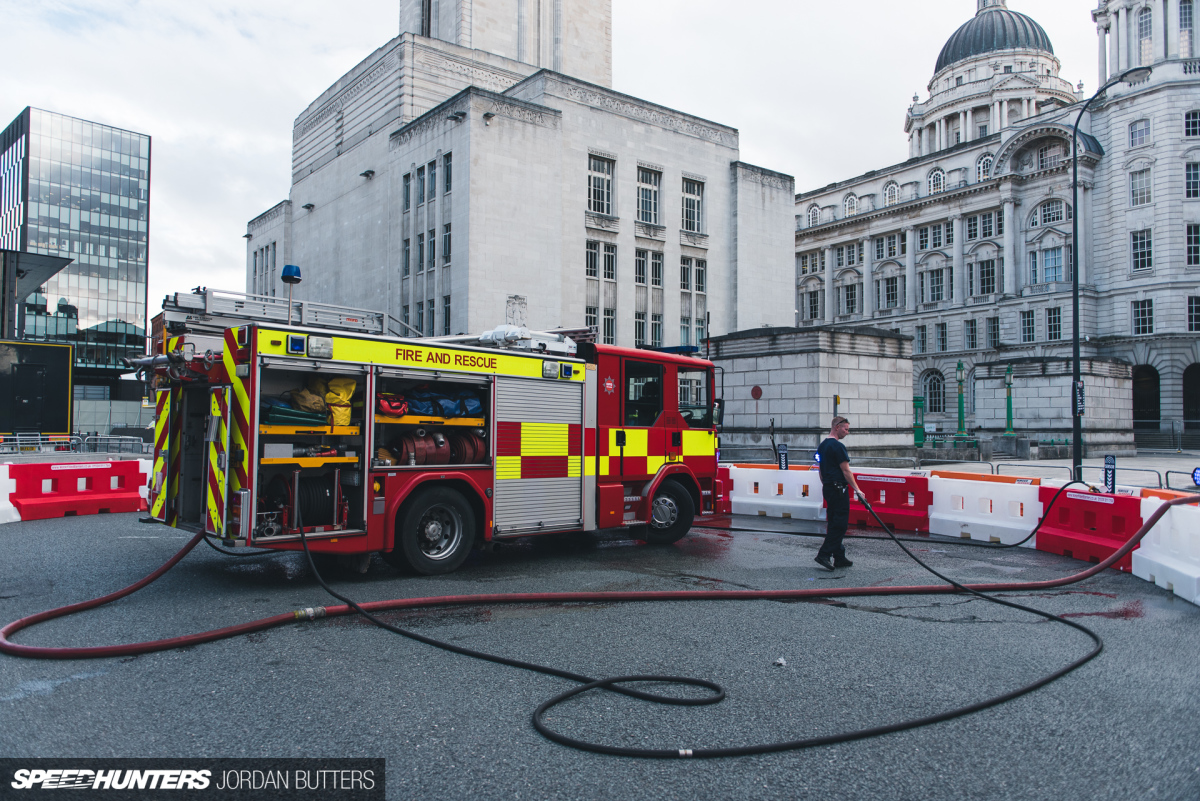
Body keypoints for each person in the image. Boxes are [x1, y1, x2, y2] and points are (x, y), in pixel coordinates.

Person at [815, 416, 865, 571]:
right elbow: (846, 471)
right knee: (840, 525)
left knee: (834, 521)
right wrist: (858, 490)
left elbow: (820, 470)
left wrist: (826, 484)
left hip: (829, 488)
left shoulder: (822, 445)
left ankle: (839, 557)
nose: (847, 432)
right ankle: (824, 554)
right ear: (837, 427)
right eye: (846, 429)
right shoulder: (838, 447)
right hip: (838, 488)